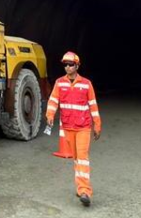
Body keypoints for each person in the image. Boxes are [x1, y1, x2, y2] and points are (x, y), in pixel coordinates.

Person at [43, 51, 101, 207]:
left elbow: (93, 105)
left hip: (83, 128)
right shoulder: (59, 83)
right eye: (65, 65)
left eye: (70, 64)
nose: (67, 67)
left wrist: (97, 124)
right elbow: (53, 100)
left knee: (82, 158)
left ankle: (85, 191)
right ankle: (80, 187)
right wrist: (49, 115)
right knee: (76, 158)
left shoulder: (86, 84)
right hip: (68, 127)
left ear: (77, 66)